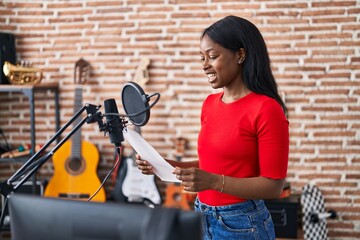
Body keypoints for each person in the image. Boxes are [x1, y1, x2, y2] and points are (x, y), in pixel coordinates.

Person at [136, 15, 289, 240]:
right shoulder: (209, 104)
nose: (205, 65)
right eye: (202, 58)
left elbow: (273, 186)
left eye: (213, 56)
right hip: (202, 215)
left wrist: (214, 182)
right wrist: (162, 165)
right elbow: (212, 166)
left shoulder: (266, 109)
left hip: (242, 224)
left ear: (240, 55)